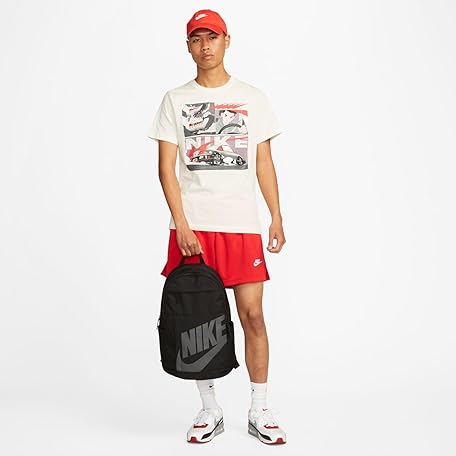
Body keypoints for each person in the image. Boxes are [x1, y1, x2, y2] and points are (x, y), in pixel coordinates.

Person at [147, 9, 287, 445]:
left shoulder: (253, 98)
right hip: (193, 227)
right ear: (188, 46)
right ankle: (209, 409)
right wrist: (182, 224)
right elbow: (166, 170)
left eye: (212, 37)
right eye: (196, 38)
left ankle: (260, 409)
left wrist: (276, 216)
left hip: (241, 225)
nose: (205, 46)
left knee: (253, 316)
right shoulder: (175, 100)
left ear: (227, 41)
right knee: (196, 320)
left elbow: (263, 162)